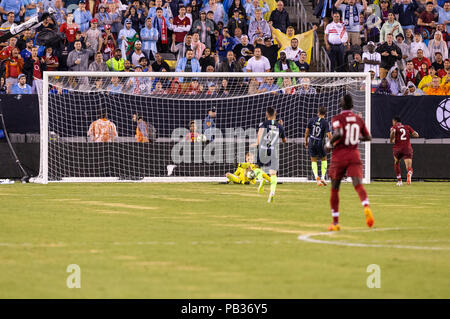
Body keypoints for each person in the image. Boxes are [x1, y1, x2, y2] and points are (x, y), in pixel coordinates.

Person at [325, 94, 373, 231]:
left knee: (335, 188)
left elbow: (339, 132)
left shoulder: (337, 118)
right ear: (352, 105)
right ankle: (366, 206)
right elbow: (368, 137)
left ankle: (335, 223)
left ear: (341, 105)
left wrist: (329, 143)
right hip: (354, 155)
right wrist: (356, 137)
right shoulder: (359, 120)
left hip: (339, 155)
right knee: (358, 185)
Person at [254, 106, 286, 203]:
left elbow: (259, 136)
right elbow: (284, 141)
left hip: (263, 149)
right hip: (273, 150)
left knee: (256, 167)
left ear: (267, 114)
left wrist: (257, 145)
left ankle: (261, 180)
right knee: (273, 173)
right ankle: (272, 192)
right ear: (275, 114)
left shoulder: (264, 123)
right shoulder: (279, 126)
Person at [305, 106, 332, 186]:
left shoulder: (312, 120)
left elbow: (307, 132)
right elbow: (329, 134)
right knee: (324, 159)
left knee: (313, 160)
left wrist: (306, 141)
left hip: (311, 141)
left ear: (318, 112)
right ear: (325, 114)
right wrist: (331, 143)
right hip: (320, 143)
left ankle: (317, 178)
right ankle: (323, 177)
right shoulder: (325, 122)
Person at [390, 116, 419, 186]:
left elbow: (392, 140)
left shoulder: (394, 128)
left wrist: (392, 135)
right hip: (407, 148)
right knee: (409, 167)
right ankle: (409, 173)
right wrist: (412, 134)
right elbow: (416, 135)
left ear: (395, 121)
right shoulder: (407, 127)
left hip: (398, 149)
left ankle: (399, 181)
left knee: (396, 162)